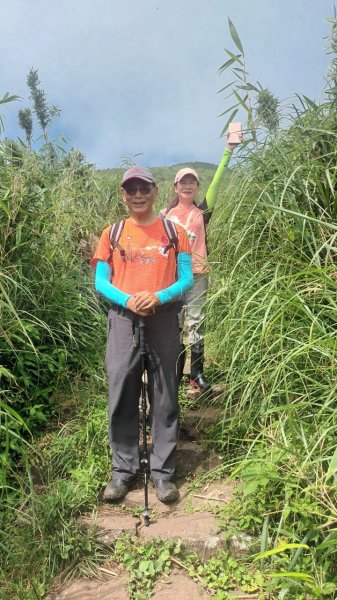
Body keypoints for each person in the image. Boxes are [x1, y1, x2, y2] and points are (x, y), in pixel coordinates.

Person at [92, 166, 193, 504]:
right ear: (123, 195)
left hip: (163, 319)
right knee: (121, 390)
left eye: (143, 189)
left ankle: (163, 473)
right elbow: (101, 281)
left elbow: (187, 278)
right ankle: (123, 470)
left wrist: (160, 296)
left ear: (154, 192)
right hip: (123, 320)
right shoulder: (113, 233)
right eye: (130, 189)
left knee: (165, 393)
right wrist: (129, 299)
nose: (137, 195)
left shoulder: (173, 231)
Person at [164, 134, 243, 392]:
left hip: (198, 274)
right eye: (183, 182)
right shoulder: (165, 216)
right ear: (175, 187)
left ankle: (196, 374)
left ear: (197, 187)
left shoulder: (203, 211)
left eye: (192, 182)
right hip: (172, 277)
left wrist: (228, 151)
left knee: (196, 322)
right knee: (174, 324)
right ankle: (175, 372)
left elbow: (218, 181)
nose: (187, 186)